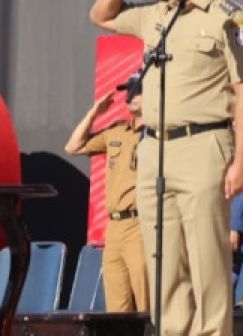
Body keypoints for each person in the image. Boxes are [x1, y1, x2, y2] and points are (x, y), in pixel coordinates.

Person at [88, 0, 243, 336]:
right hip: (154, 150)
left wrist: (240, 163)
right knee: (163, 261)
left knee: (206, 261)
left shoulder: (229, 16)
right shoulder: (159, 14)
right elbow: (102, 15)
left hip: (204, 145)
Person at [64, 74, 149, 312]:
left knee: (147, 305)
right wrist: (94, 113)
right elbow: (73, 146)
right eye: (129, 90)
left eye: (138, 90)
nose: (130, 95)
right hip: (115, 228)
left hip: (140, 224)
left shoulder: (159, 133)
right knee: (117, 309)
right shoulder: (117, 131)